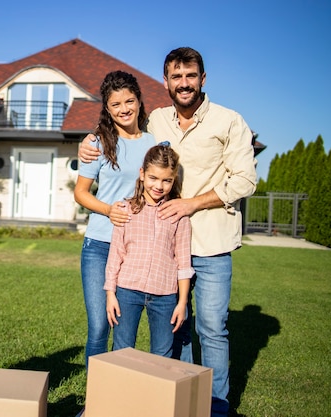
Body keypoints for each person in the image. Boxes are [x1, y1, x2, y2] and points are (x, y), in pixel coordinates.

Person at [78, 47, 257, 417]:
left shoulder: (227, 121)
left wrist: (191, 204)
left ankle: (215, 407)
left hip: (207, 240)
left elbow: (245, 180)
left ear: (202, 79)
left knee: (211, 328)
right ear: (165, 83)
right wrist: (82, 145)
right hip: (148, 246)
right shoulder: (158, 122)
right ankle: (169, 400)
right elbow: (112, 149)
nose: (184, 83)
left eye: (190, 76)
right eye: (176, 77)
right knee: (174, 330)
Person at [74, 70, 156, 369]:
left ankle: (119, 393)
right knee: (99, 325)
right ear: (107, 109)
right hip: (99, 245)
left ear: (139, 100)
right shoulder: (97, 143)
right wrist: (109, 210)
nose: (124, 109)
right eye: (116, 105)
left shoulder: (155, 144)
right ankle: (93, 399)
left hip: (134, 249)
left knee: (123, 329)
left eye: (129, 101)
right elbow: (81, 193)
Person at [105, 143, 194, 358]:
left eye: (167, 180)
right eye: (153, 178)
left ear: (174, 181)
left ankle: (157, 393)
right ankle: (120, 392)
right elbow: (115, 254)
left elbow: (183, 263)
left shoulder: (178, 215)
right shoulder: (126, 210)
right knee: (122, 350)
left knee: (162, 355)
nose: (159, 186)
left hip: (165, 296)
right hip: (127, 291)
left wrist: (182, 303)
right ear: (142, 174)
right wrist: (110, 294)